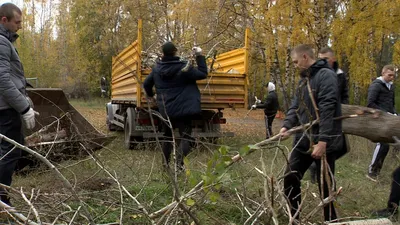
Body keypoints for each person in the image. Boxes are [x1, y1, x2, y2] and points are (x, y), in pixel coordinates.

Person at [279, 44, 343, 222]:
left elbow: (328, 108)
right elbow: (295, 106)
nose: (295, 65)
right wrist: (287, 126)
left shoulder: (326, 75)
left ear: (305, 57)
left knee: (325, 185)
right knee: (290, 177)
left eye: (295, 61)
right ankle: (295, 218)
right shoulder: (303, 80)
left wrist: (323, 141)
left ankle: (331, 220)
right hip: (303, 139)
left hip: (323, 140)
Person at [143, 42, 207, 169]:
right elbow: (202, 74)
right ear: (175, 52)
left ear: (162, 53)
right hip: (184, 110)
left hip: (166, 110)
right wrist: (199, 55)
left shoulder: (156, 69)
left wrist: (151, 96)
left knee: (167, 137)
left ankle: (165, 165)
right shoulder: (184, 67)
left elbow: (146, 84)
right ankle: (179, 165)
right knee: (185, 137)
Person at [0, 3, 37, 205]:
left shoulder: (5, 41)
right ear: (4, 20)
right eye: (17, 22)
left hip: (6, 106)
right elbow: (3, 80)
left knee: (5, 152)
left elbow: (11, 78)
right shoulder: (2, 42)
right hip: (7, 110)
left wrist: (25, 97)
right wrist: (24, 108)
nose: (20, 26)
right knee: (9, 153)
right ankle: (2, 201)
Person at [308, 47, 350, 183]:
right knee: (323, 143)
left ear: (333, 59)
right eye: (320, 59)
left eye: (325, 59)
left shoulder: (339, 74)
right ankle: (317, 168)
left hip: (335, 116)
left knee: (342, 147)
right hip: (320, 115)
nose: (322, 61)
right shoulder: (317, 73)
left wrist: (343, 109)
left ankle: (318, 167)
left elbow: (344, 94)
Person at [366, 65, 396, 182]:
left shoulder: (391, 87)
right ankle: (371, 171)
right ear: (383, 73)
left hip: (388, 120)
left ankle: (376, 172)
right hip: (377, 119)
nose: (392, 77)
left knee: (386, 145)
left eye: (393, 75)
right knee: (382, 144)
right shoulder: (376, 85)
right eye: (389, 75)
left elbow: (391, 104)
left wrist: (394, 114)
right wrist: (385, 113)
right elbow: (370, 104)